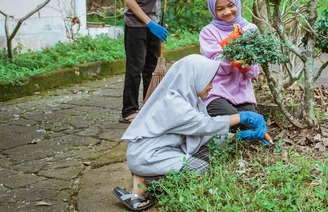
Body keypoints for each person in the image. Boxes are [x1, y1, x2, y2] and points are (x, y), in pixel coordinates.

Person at [112, 54, 267, 211]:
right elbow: (205, 125)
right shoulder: (174, 103)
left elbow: (206, 135)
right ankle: (144, 180)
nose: (212, 86)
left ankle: (145, 177)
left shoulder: (192, 100)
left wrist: (240, 136)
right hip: (147, 155)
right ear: (194, 77)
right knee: (200, 169)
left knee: (214, 151)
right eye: (209, 80)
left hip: (164, 150)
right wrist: (242, 116)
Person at [120, 0, 172, 124]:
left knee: (151, 66)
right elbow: (130, 0)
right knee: (135, 67)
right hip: (136, 23)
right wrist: (149, 23)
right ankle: (129, 110)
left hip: (154, 19)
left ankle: (150, 104)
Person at [199, 0, 260, 123]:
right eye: (220, 9)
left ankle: (232, 133)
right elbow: (218, 69)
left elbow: (254, 72)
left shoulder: (250, 29)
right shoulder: (208, 32)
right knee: (230, 118)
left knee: (252, 122)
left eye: (230, 5)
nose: (227, 12)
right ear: (213, 10)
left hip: (242, 94)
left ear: (237, 3)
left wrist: (246, 66)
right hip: (216, 92)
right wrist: (230, 50)